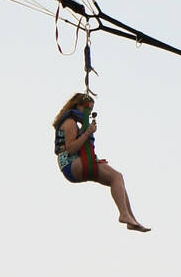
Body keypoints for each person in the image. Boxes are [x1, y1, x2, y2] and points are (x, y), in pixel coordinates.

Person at [53, 91, 150, 231]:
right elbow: (71, 149)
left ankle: (130, 218)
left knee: (117, 178)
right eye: (87, 109)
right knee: (116, 177)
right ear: (77, 106)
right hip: (70, 162)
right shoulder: (70, 123)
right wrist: (87, 133)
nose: (89, 112)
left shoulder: (73, 122)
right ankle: (124, 215)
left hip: (73, 164)